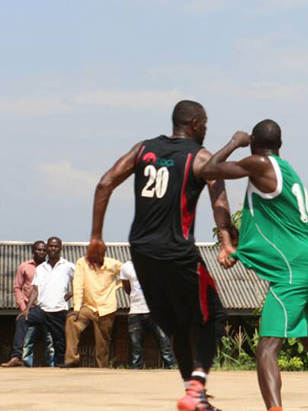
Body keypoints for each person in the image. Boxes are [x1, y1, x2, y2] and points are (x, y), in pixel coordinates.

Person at [199, 120, 308, 411]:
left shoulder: (259, 163)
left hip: (296, 266)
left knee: (267, 346)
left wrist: (234, 142)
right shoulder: (287, 170)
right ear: (281, 144)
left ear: (253, 144)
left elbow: (209, 170)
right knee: (298, 327)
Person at [89, 100, 235, 411]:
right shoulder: (200, 157)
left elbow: (104, 183)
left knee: (178, 327)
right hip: (177, 251)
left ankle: (193, 396)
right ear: (195, 124)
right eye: (205, 124)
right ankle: (197, 388)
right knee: (213, 317)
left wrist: (96, 237)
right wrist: (225, 240)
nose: (206, 129)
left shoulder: (143, 149)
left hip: (141, 251)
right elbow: (218, 197)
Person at [61, 242, 122, 368]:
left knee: (102, 343)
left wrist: (117, 287)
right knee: (72, 320)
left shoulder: (113, 264)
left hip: (107, 307)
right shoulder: (82, 263)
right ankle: (72, 359)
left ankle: (102, 368)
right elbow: (78, 285)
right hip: (88, 306)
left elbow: (128, 274)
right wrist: (76, 308)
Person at [21, 237, 74, 366]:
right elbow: (35, 290)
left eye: (56, 246)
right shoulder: (41, 268)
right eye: (50, 246)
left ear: (61, 248)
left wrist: (72, 293)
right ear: (47, 248)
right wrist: (27, 309)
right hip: (42, 310)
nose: (53, 248)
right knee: (23, 320)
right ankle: (17, 356)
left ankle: (60, 364)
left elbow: (82, 282)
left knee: (59, 341)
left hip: (58, 310)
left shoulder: (68, 266)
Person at [2, 241, 55, 368]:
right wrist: (23, 308)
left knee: (50, 341)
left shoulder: (51, 267)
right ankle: (22, 364)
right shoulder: (24, 266)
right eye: (39, 250)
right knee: (27, 341)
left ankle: (52, 366)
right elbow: (17, 287)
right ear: (33, 251)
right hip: (30, 308)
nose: (41, 252)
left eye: (44, 250)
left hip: (48, 308)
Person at [120, 259, 176, 369]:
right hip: (136, 311)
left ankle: (171, 372)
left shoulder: (159, 262)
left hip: (157, 312)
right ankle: (136, 375)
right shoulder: (126, 267)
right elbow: (128, 289)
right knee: (135, 350)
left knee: (165, 346)